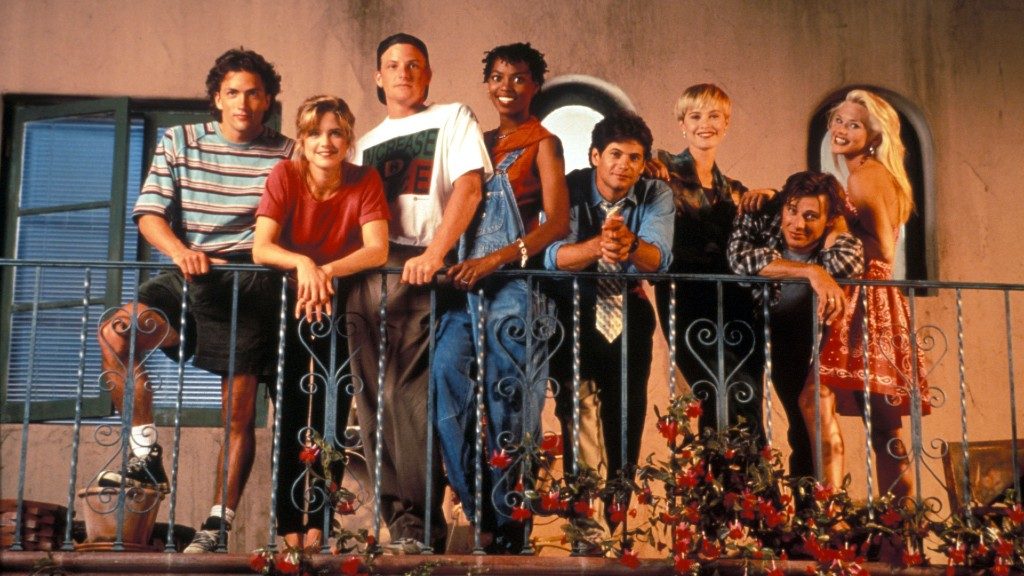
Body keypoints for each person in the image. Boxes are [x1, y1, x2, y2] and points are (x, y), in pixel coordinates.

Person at [95, 48, 294, 553]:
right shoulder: (179, 140)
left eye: (253, 93)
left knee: (238, 415)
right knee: (116, 333)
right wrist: (181, 251)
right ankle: (145, 455)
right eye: (232, 92)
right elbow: (149, 214)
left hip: (251, 284)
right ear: (216, 98)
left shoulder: (289, 152)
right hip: (190, 271)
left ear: (268, 99)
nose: (243, 103)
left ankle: (217, 524)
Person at [346, 32, 492, 552]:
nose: (403, 73)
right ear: (378, 77)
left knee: (408, 397)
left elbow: (469, 189)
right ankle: (401, 523)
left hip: (421, 265)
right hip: (368, 271)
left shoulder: (452, 117)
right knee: (373, 399)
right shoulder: (362, 144)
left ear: (427, 74)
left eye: (414, 65)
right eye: (393, 65)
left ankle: (423, 524)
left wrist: (435, 252)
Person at [431, 42, 568, 554]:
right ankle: (481, 508)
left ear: (535, 85)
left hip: (516, 288)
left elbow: (557, 223)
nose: (506, 87)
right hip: (465, 286)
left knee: (509, 404)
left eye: (519, 78)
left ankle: (512, 525)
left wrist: (495, 260)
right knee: (446, 380)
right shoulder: (478, 142)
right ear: (486, 83)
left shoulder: (544, 143)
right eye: (497, 77)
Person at [252, 95, 389, 551]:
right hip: (291, 300)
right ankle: (289, 522)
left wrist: (325, 273)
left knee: (335, 407)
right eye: (314, 133)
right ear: (302, 139)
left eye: (335, 133)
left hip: (341, 300)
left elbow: (378, 249)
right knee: (291, 407)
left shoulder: (364, 179)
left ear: (348, 139)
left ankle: (322, 522)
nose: (325, 142)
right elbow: (262, 247)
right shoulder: (285, 174)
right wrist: (304, 265)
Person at [545, 111, 674, 541]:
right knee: (576, 409)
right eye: (615, 154)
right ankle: (585, 521)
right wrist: (597, 246)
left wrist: (629, 243)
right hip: (574, 311)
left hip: (629, 312)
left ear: (644, 163)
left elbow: (660, 260)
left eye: (634, 158)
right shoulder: (570, 186)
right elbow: (552, 256)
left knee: (627, 413)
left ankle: (617, 515)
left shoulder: (655, 192)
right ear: (595, 156)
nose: (623, 165)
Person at [801, 89, 929, 498]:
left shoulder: (864, 176)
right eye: (838, 120)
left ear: (874, 136)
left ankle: (831, 509)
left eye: (854, 125)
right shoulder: (872, 173)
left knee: (817, 396)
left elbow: (883, 252)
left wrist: (836, 227)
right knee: (883, 426)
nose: (841, 130)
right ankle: (902, 524)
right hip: (879, 299)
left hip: (865, 297)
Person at [651, 84, 776, 441]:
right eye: (695, 116)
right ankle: (718, 472)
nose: (704, 124)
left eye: (714, 116)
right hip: (687, 300)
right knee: (714, 389)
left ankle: (746, 475)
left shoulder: (735, 190)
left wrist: (773, 196)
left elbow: (771, 230)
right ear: (682, 124)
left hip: (736, 304)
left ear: (726, 124)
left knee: (746, 391)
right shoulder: (661, 170)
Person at [727, 171, 863, 479]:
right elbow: (740, 260)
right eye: (791, 211)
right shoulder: (758, 216)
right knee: (742, 419)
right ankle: (757, 500)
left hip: (794, 340)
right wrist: (812, 272)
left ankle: (810, 504)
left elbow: (848, 263)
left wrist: (834, 233)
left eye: (811, 216)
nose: (798, 224)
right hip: (745, 331)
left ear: (830, 220)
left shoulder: (841, 241)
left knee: (803, 428)